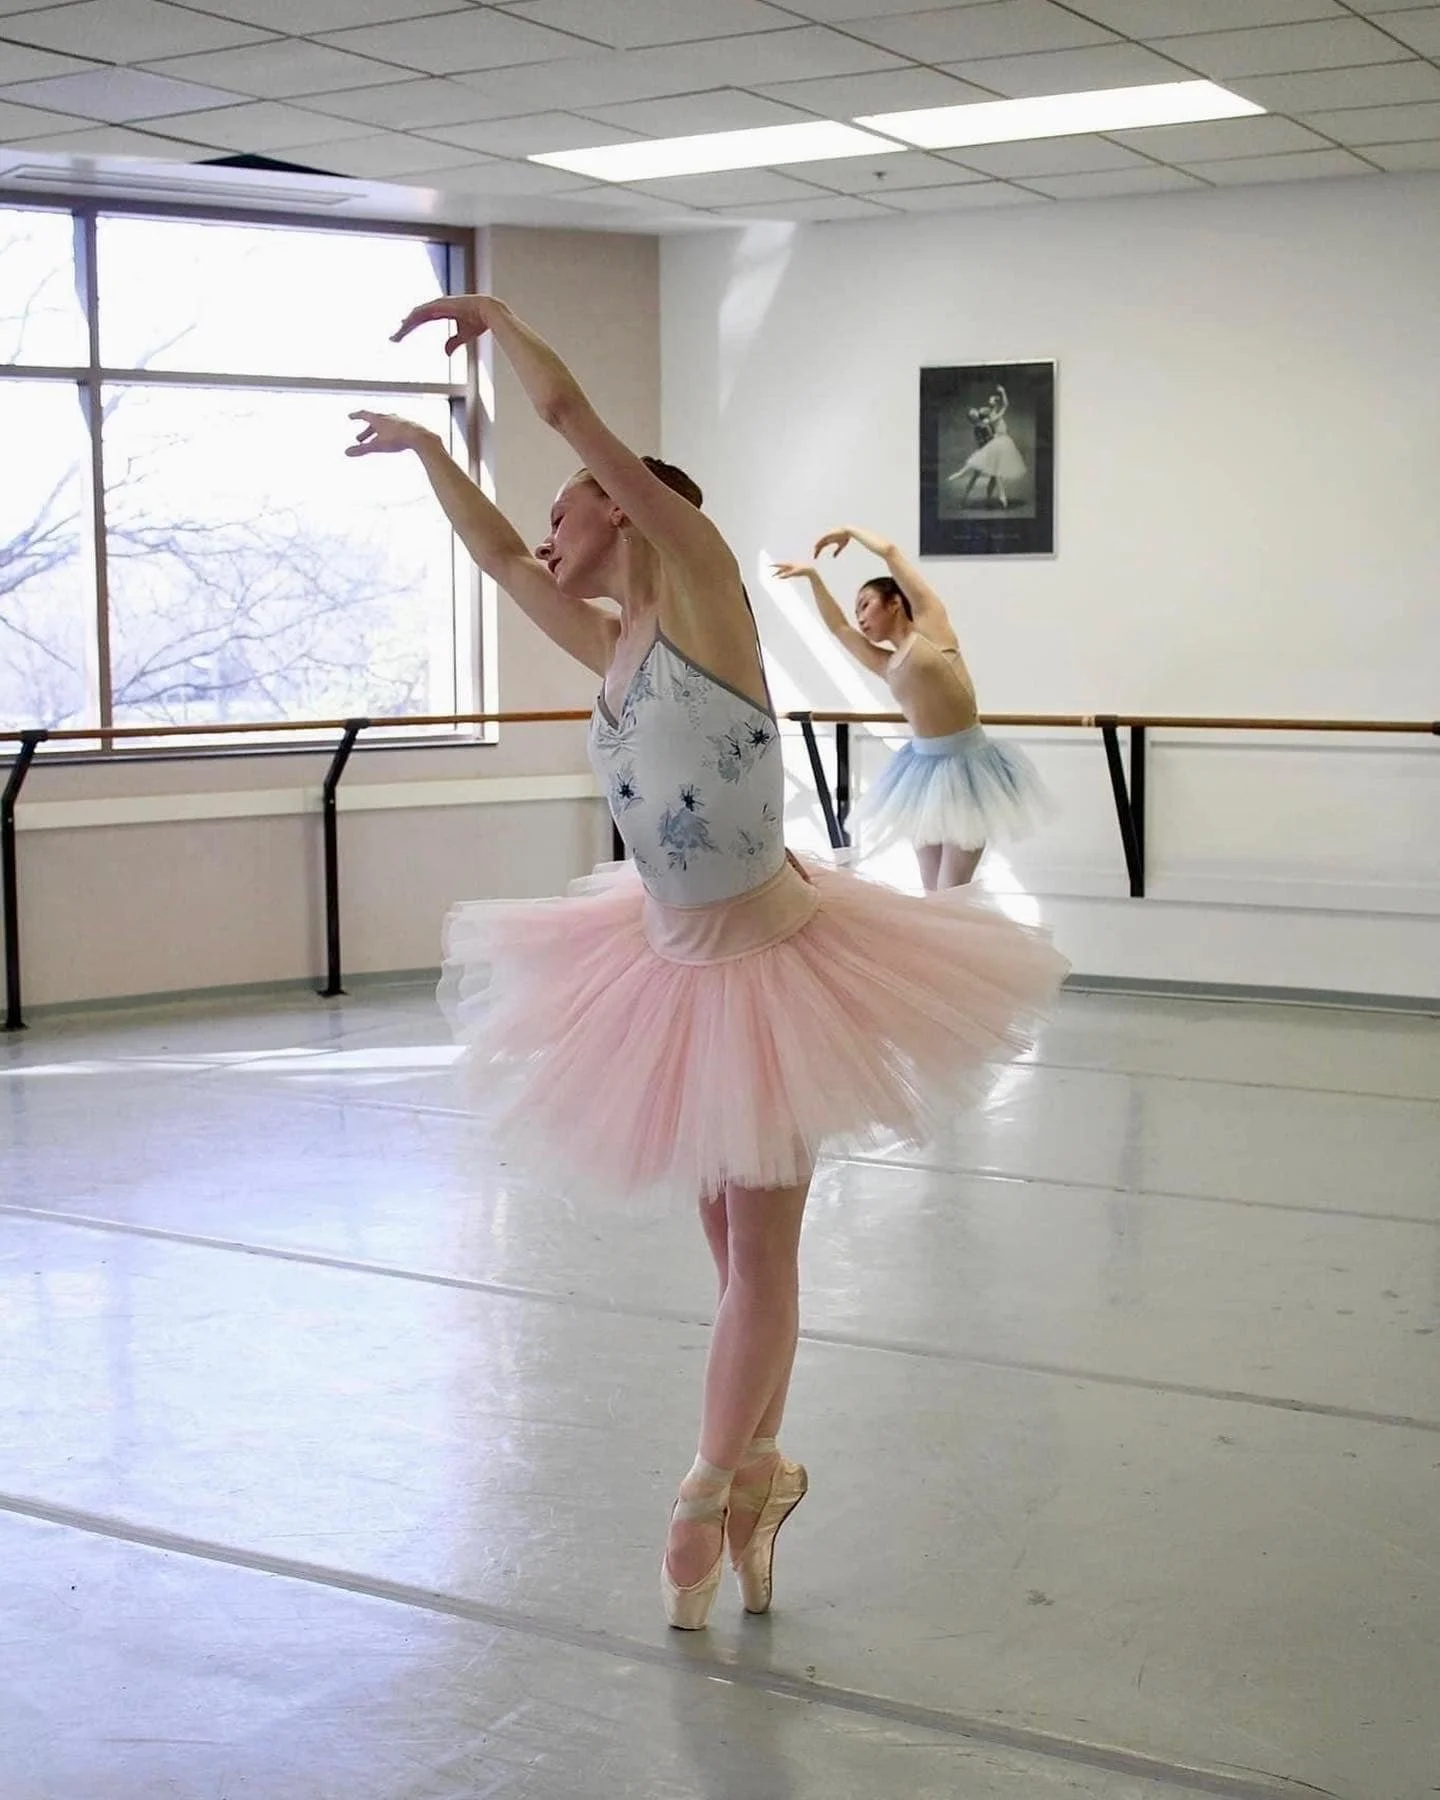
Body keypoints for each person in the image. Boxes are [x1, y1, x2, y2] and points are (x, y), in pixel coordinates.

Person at [347, 295, 1067, 1632]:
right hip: (668, 968)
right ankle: (767, 1474)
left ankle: (699, 1490)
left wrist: (501, 317)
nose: (550, 530)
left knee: (766, 1253)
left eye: (569, 510)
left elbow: (571, 421)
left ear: (625, 514)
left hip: (782, 967)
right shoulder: (607, 640)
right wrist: (429, 454)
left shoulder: (706, 596)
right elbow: (502, 557)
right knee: (730, 1244)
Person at [775, 525, 1051, 889]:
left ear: (894, 602)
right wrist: (813, 578)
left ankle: (960, 943)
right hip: (921, 772)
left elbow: (890, 550)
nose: (859, 616)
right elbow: (839, 628)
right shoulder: (885, 663)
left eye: (865, 604)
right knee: (931, 891)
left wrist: (851, 533)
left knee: (952, 891)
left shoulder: (932, 629)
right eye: (857, 609)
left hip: (969, 770)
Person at [949, 384, 1026, 509]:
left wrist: (1002, 392)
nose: (991, 401)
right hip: (995, 445)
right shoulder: (989, 416)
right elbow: (998, 410)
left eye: (992, 400)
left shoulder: (989, 413)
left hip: (999, 443)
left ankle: (992, 499)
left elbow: (1004, 405)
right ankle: (963, 484)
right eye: (991, 400)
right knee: (982, 474)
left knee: (995, 475)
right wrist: (1000, 395)